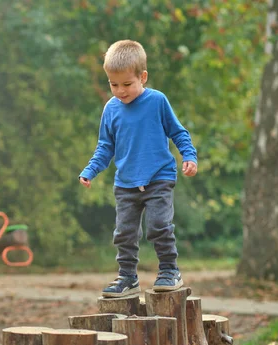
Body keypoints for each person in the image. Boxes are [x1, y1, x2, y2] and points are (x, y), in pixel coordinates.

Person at [79, 40, 198, 298]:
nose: (120, 91)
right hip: (126, 183)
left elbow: (178, 132)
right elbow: (104, 147)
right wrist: (90, 170)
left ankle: (169, 270)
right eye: (113, 84)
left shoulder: (157, 101)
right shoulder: (110, 109)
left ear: (142, 77)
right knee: (124, 232)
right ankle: (127, 278)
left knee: (159, 225)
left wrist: (189, 155)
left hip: (159, 178)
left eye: (126, 84)